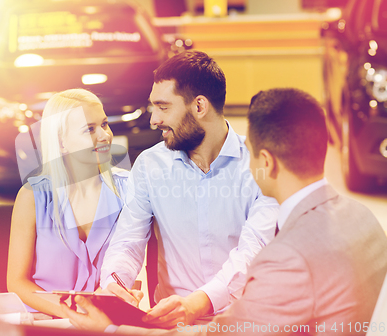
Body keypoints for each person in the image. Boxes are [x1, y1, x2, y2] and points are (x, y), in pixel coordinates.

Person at [63, 88, 387, 335]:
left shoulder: (286, 257)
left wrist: (111, 330)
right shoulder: (363, 218)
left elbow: (226, 330)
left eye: (249, 153)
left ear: (267, 162)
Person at [98, 50, 279, 327]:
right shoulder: (149, 165)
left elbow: (253, 252)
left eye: (163, 107)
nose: (153, 120)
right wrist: (114, 283)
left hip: (244, 322)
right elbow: (127, 242)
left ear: (199, 106)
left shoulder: (259, 164)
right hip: (173, 324)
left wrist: (196, 304)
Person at [7, 89, 131, 317]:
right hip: (45, 321)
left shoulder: (128, 190)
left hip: (106, 324)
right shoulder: (32, 196)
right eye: (90, 129)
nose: (105, 136)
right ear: (61, 143)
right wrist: (73, 313)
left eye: (104, 124)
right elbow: (16, 282)